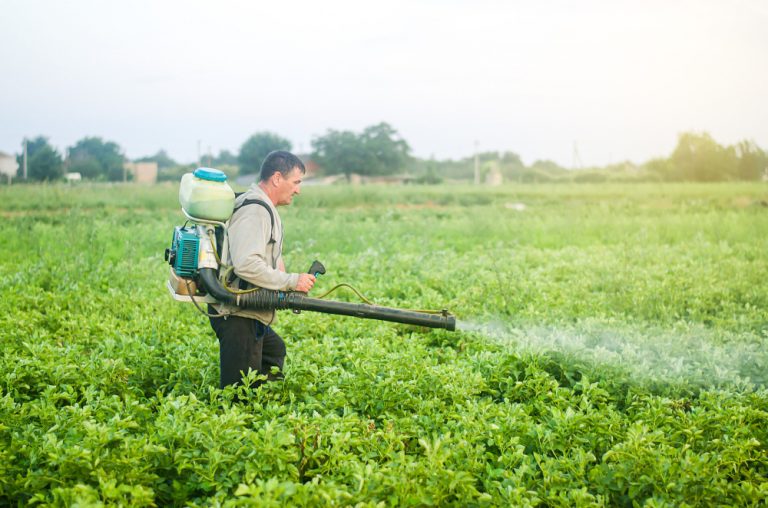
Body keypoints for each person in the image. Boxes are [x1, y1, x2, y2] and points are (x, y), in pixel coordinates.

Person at [208, 150, 315, 389]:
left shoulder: (262, 206)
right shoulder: (255, 210)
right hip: (238, 313)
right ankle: (242, 420)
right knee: (239, 393)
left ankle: (265, 410)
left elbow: (266, 254)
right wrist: (290, 281)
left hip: (248, 309)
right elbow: (247, 264)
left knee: (273, 352)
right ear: (277, 178)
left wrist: (287, 281)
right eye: (296, 182)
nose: (298, 189)